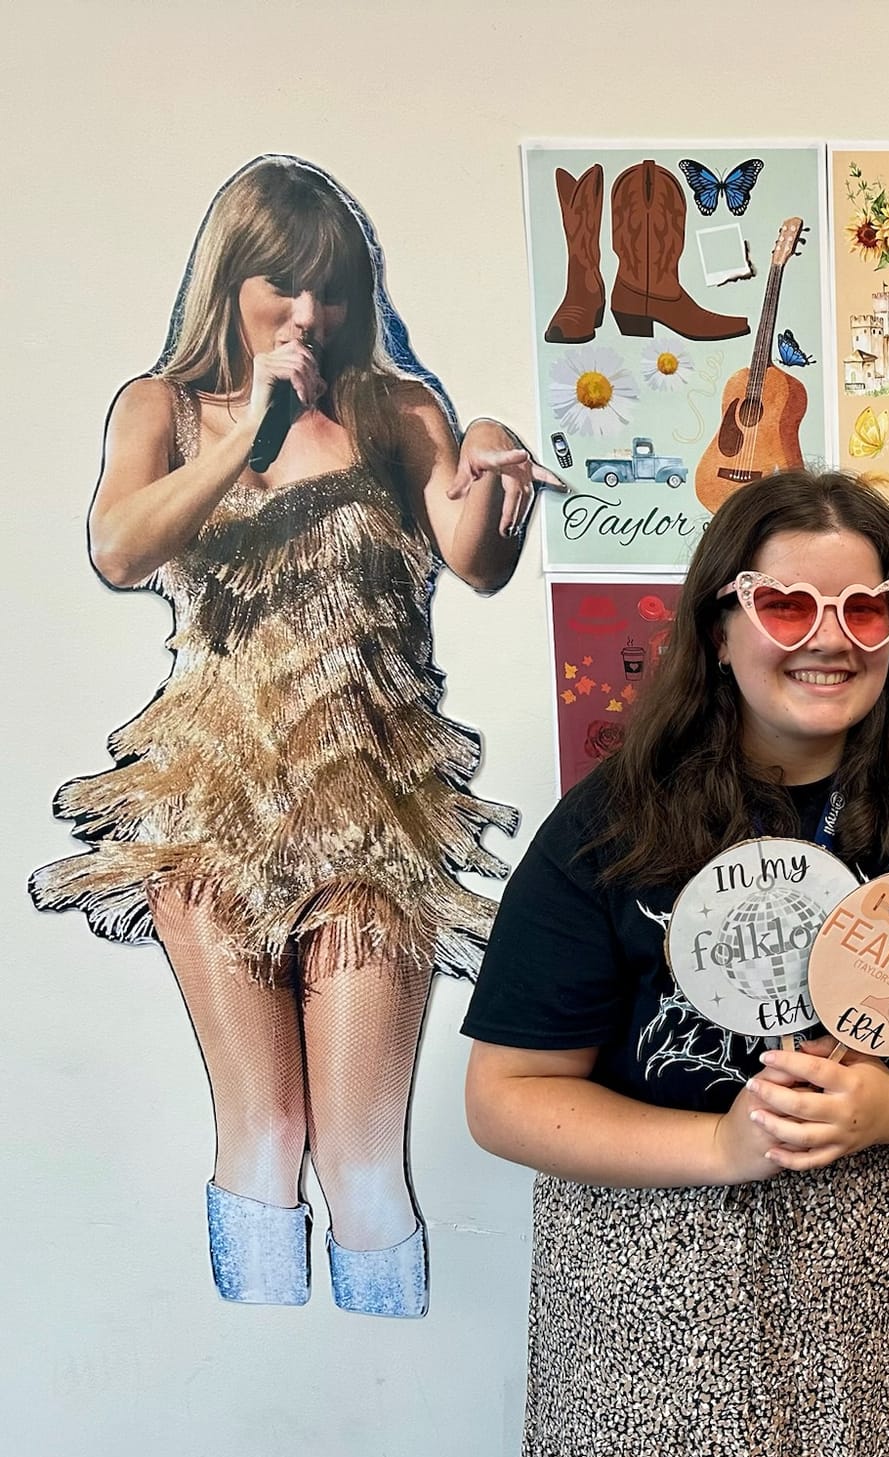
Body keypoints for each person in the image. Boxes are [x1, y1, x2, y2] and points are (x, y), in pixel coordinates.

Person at [28, 155, 556, 1317]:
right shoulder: (161, 409)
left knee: (362, 1155)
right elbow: (119, 551)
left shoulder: (396, 408)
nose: (307, 313)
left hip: (375, 817)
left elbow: (475, 567)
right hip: (213, 813)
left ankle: (377, 1382)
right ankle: (260, 1385)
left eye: (330, 287)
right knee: (264, 1128)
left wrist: (497, 469)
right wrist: (247, 430)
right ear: (232, 280)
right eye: (282, 284)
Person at [462, 470, 889, 1457]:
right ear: (718, 627)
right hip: (659, 1296)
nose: (831, 638)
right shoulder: (608, 828)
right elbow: (506, 1097)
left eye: (865, 609)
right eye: (785, 604)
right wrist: (718, 1145)